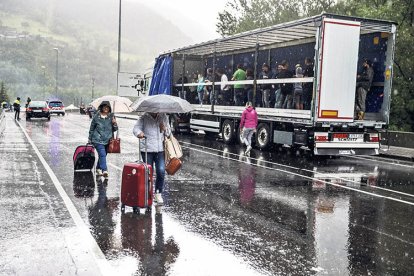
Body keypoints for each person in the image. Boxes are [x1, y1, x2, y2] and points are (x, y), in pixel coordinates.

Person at [133, 112, 172, 205]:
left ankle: (158, 193)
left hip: (160, 150)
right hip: (147, 149)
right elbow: (135, 128)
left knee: (161, 171)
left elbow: (169, 134)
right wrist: (139, 133)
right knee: (148, 173)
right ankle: (148, 193)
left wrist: (164, 129)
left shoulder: (163, 117)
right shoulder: (144, 117)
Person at [88, 101, 118, 178]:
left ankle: (98, 168)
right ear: (101, 107)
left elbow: (115, 129)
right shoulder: (96, 116)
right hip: (97, 139)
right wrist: (89, 139)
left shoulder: (112, 116)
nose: (106, 108)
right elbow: (92, 128)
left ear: (109, 108)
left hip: (108, 140)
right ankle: (105, 170)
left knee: (103, 156)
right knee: (102, 154)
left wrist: (114, 123)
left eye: (107, 107)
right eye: (104, 106)